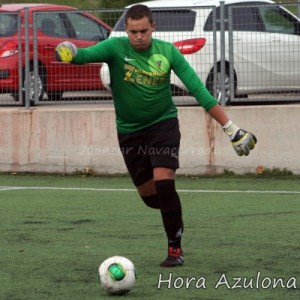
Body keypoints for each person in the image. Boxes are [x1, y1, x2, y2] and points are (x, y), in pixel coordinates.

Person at [55, 4, 257, 267]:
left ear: (153, 28)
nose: (138, 37)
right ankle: (174, 216)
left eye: (143, 31)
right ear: (126, 30)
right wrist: (69, 52)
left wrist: (231, 128)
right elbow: (83, 55)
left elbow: (197, 89)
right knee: (152, 199)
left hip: (163, 124)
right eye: (132, 32)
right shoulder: (115, 48)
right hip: (129, 132)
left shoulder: (167, 51)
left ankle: (175, 249)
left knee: (164, 183)